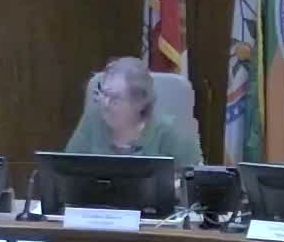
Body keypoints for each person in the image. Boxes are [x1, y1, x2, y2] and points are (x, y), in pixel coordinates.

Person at [64, 56, 203, 168]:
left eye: (115, 98)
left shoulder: (171, 134)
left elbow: (194, 184)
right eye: (104, 94)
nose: (105, 104)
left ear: (139, 103)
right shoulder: (93, 119)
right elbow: (66, 170)